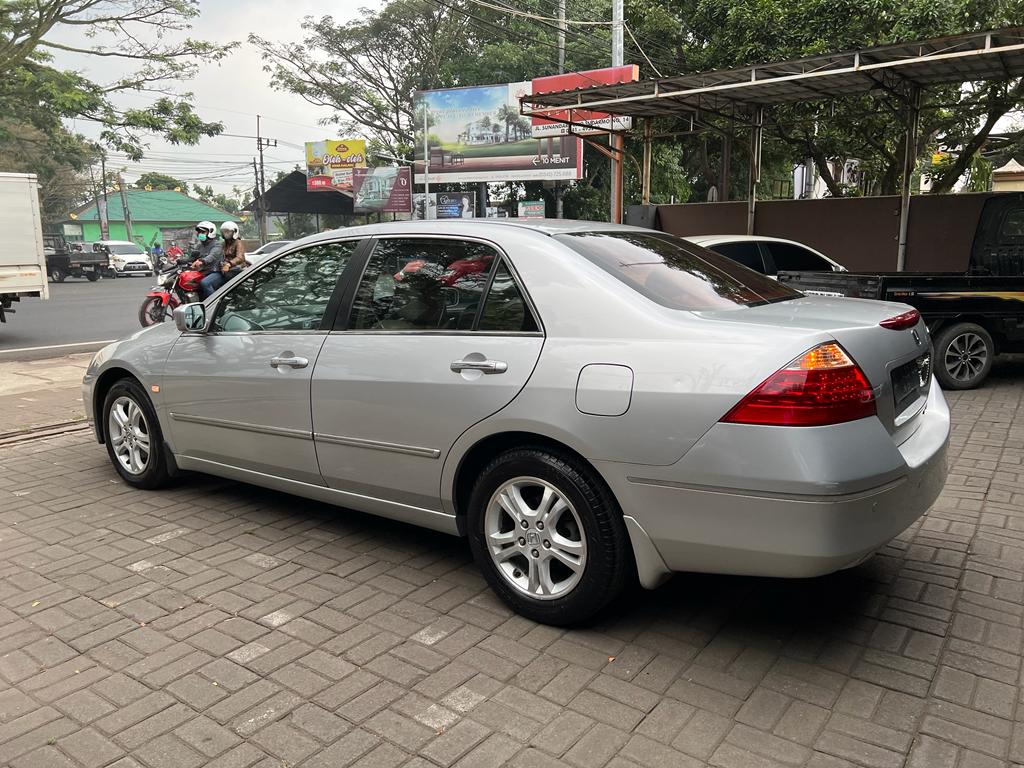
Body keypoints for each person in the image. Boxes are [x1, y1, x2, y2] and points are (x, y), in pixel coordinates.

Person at [198, 221, 245, 299]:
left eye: (228, 232)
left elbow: (240, 257)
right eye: (224, 232)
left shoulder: (238, 243)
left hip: (233, 271)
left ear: (235, 232)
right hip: (222, 270)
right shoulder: (222, 244)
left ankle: (214, 304)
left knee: (205, 283)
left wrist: (229, 264)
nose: (226, 234)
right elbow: (214, 255)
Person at [190, 221, 224, 299]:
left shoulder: (217, 244)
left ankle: (214, 303)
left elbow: (212, 256)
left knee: (205, 283)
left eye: (203, 232)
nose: (200, 234)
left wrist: (202, 261)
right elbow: (192, 257)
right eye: (199, 232)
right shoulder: (199, 246)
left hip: (216, 272)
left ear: (211, 232)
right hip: (203, 272)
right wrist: (179, 261)